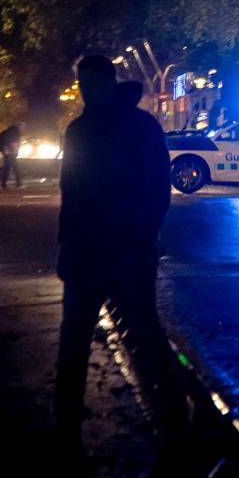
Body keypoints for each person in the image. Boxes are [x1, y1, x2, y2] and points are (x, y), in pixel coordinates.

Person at [54, 55, 178, 454]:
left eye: (93, 84)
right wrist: (68, 241)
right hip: (98, 251)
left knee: (138, 334)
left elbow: (159, 188)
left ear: (109, 82)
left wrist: (141, 236)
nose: (89, 92)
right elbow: (70, 192)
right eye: (84, 85)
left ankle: (176, 416)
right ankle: (67, 423)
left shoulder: (132, 128)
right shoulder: (88, 129)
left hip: (123, 250)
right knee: (81, 340)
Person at [0, 122, 25, 188]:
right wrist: (14, 152)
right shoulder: (15, 132)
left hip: (6, 151)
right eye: (23, 127)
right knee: (15, 167)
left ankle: (4, 183)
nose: (24, 129)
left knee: (7, 167)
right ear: (19, 127)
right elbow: (13, 143)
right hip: (9, 152)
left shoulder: (9, 131)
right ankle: (18, 183)